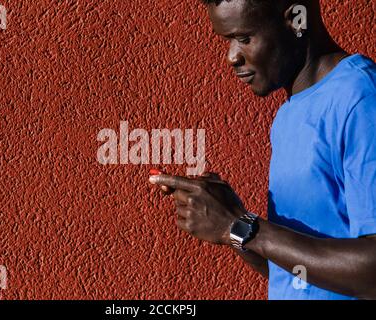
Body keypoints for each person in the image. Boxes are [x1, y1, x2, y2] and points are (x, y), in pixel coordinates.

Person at [149, 0, 376, 300]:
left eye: (244, 38)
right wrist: (230, 224)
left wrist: (241, 225)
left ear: (296, 19)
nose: (232, 57)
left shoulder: (361, 98)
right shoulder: (287, 117)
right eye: (227, 40)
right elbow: (299, 276)